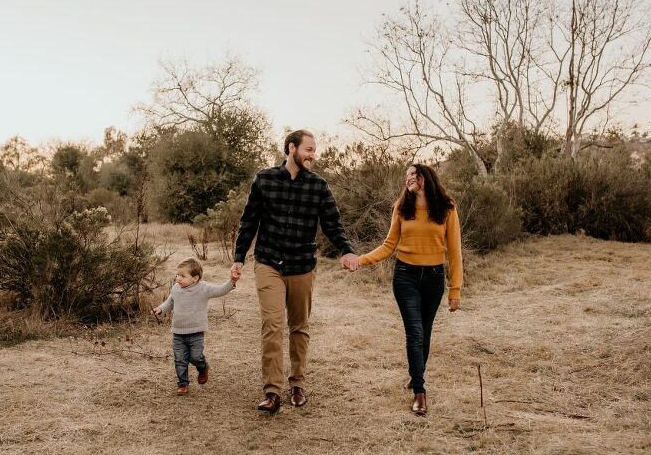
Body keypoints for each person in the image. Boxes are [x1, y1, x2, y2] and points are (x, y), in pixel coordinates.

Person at [231, 129, 359, 414]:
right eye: (309, 149)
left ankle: (297, 383)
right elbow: (248, 221)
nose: (313, 155)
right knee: (272, 326)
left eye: (314, 150)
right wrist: (239, 257)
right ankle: (272, 392)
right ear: (292, 148)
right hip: (268, 263)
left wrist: (346, 250)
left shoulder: (319, 186)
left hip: (302, 264)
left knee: (299, 327)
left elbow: (332, 224)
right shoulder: (264, 180)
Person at [355, 163, 462, 416]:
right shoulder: (402, 208)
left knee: (424, 332)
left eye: (413, 175)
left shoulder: (446, 208)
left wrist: (455, 289)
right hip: (405, 277)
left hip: (434, 278)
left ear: (425, 177)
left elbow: (455, 253)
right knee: (414, 332)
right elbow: (388, 245)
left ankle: (415, 374)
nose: (408, 179)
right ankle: (420, 392)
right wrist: (360, 260)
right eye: (406, 176)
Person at [152, 257, 239, 395]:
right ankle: (182, 383)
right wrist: (161, 309)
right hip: (178, 332)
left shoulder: (203, 288)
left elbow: (220, 290)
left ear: (195, 278)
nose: (178, 278)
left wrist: (232, 281)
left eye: (183, 276)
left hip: (196, 332)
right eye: (178, 275)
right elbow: (170, 302)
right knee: (180, 359)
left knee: (195, 357)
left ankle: (203, 367)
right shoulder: (176, 288)